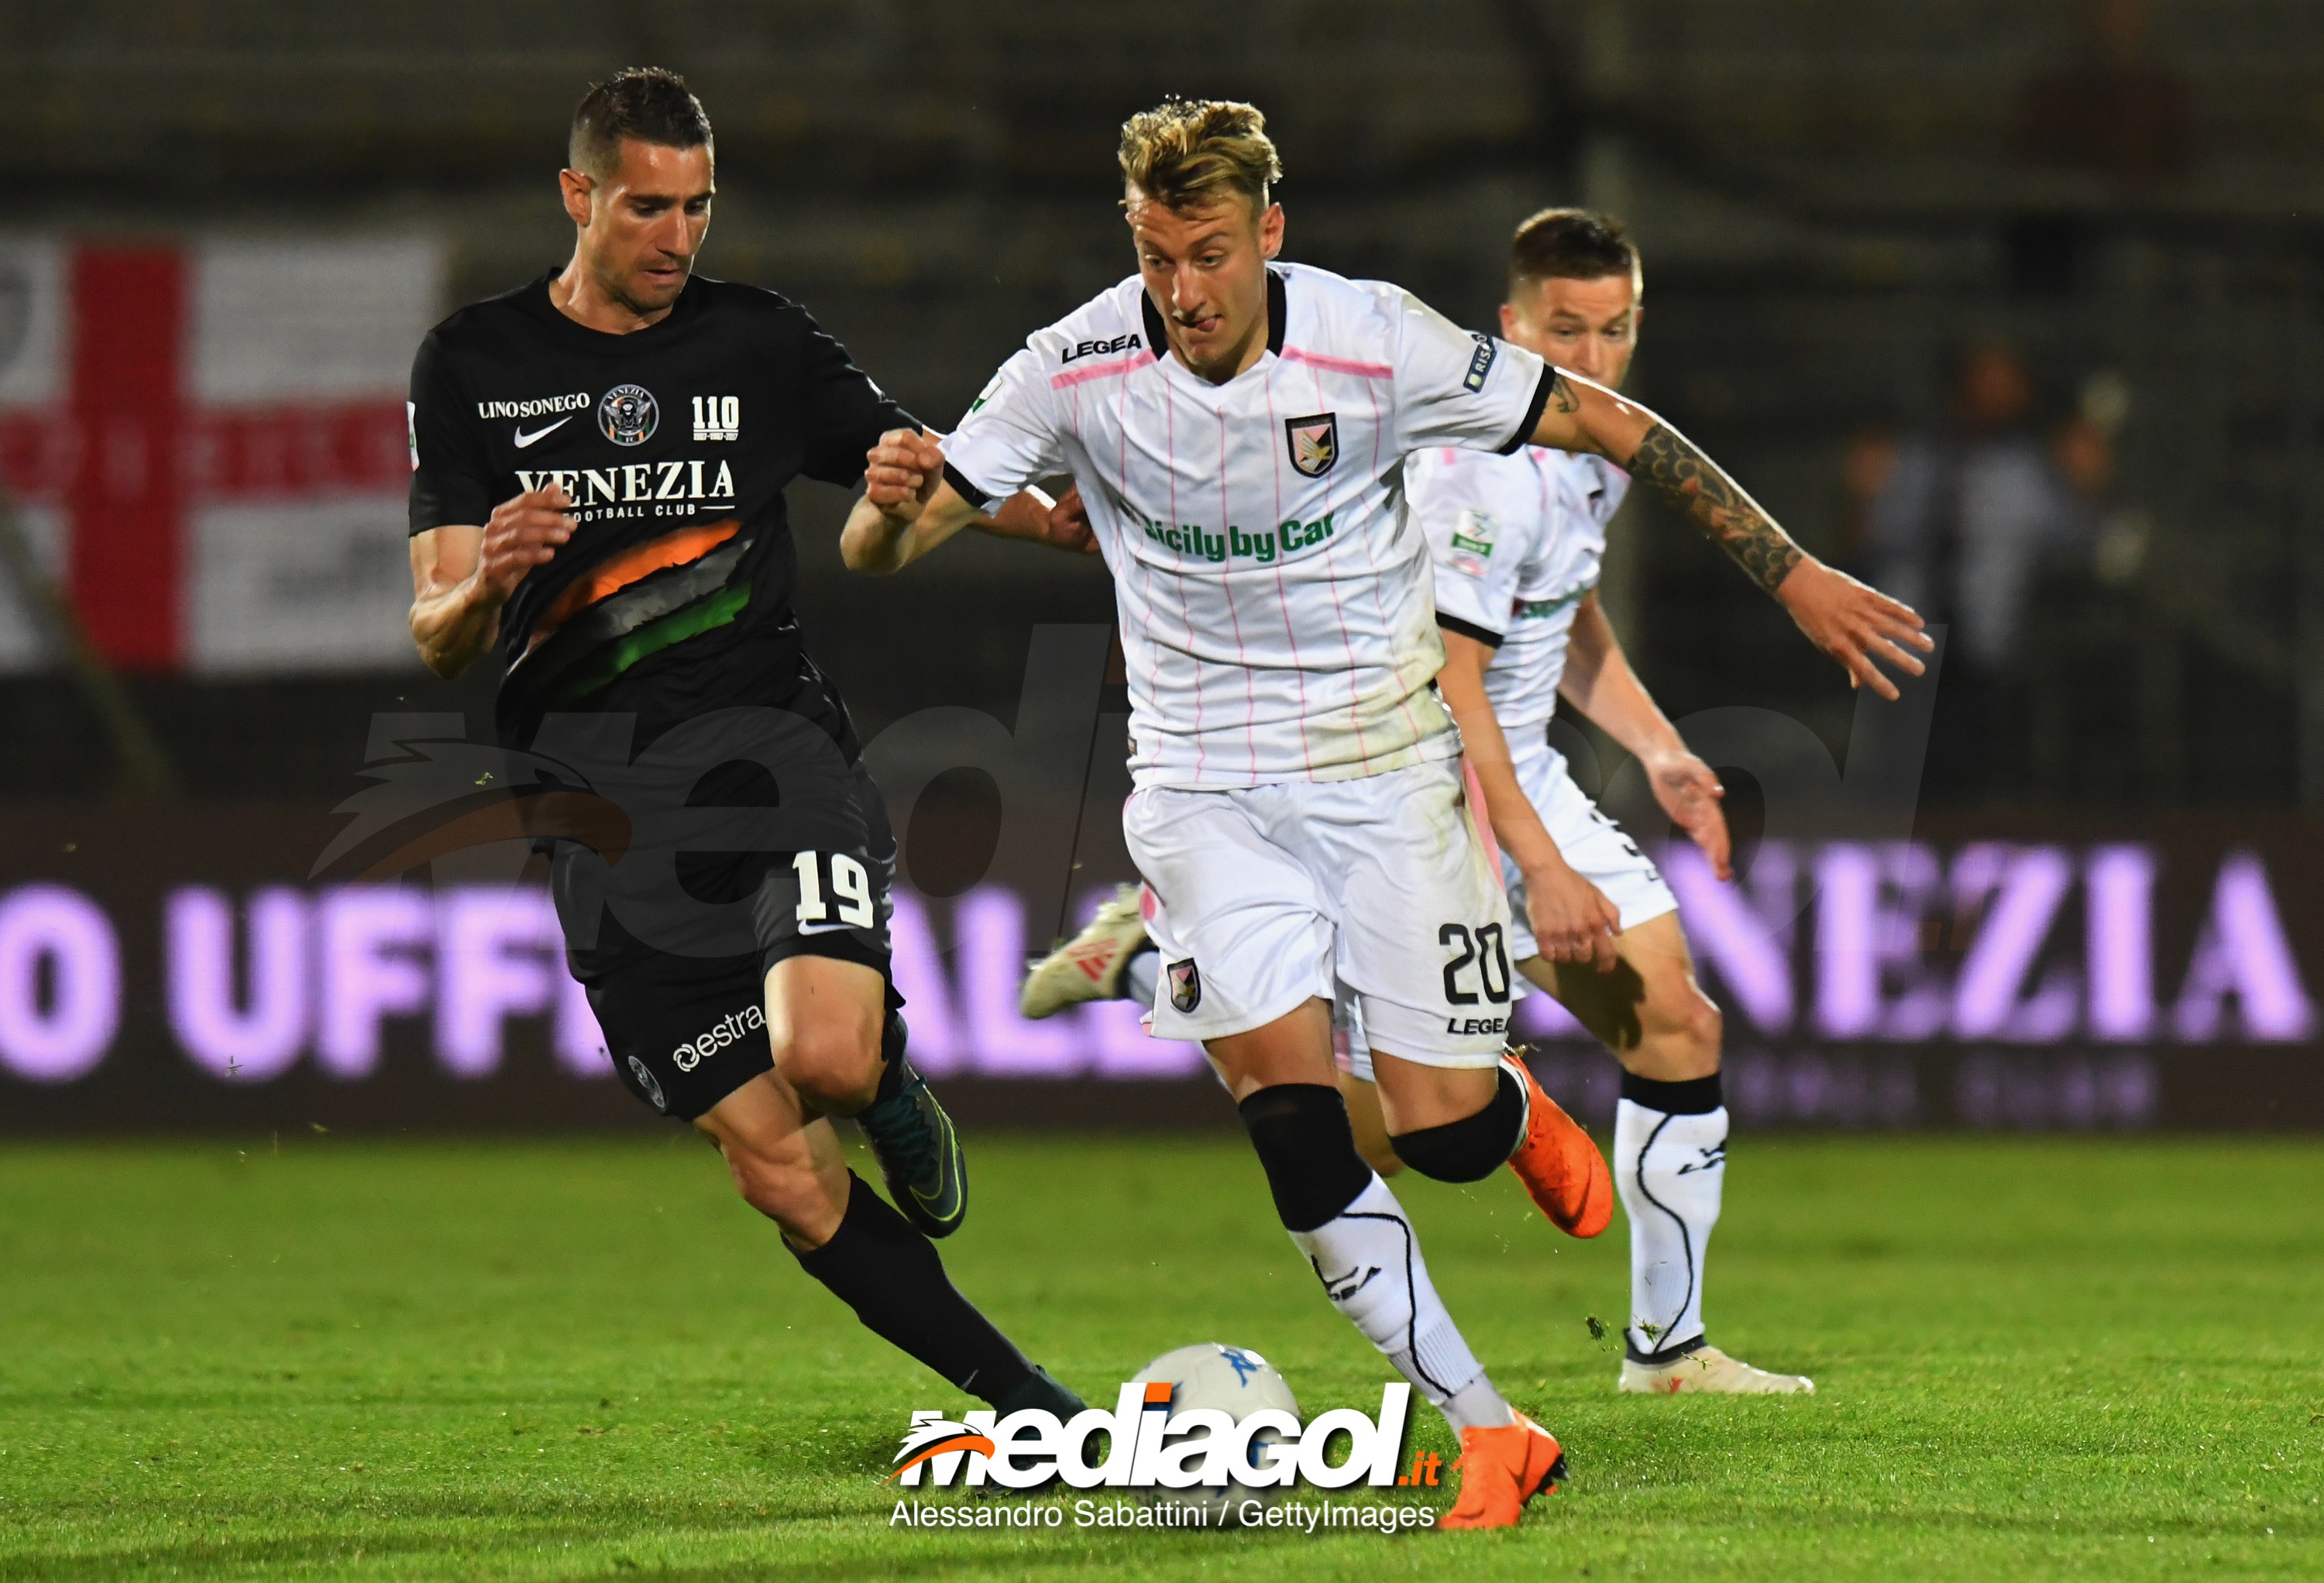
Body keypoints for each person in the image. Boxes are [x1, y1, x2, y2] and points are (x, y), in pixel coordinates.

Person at [844, 99, 1925, 1525]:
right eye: (1159, 255)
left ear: (1270, 234)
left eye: (1211, 254)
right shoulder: (1070, 362)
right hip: (1198, 795)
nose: (1184, 291)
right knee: (1295, 1126)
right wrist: (886, 504)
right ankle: (1487, 1423)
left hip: (1385, 772)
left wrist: (1784, 571)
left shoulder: (1377, 342)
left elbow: (1607, 419)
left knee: (1446, 1124)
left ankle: (1512, 1103)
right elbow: (893, 541)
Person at [1027, 210, 1824, 1395]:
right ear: (1512, 327)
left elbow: (1564, 612)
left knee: (1658, 1032)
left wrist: (1657, 751)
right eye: (1566, 331)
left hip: (1511, 768)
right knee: (1414, 1130)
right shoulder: (1484, 478)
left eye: (1613, 332)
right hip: (1433, 777)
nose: (1592, 358)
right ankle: (1157, 962)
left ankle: (1668, 1351)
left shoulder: (1576, 462)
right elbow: (1456, 679)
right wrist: (1541, 864)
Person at [403, 68, 1085, 1424]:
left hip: (774, 760)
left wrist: (1048, 516)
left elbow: (907, 463)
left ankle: (892, 1083)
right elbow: (435, 630)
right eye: (648, 206)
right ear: (577, 196)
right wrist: (488, 580)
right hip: (599, 818)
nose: (677, 236)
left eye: (698, 207)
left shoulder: (757, 344)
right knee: (777, 1163)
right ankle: (1031, 1407)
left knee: (826, 1057)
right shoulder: (473, 364)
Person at [1862, 338, 2091, 802]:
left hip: (1984, 656)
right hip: (1906, 649)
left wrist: (2087, 483)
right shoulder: (1913, 457)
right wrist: (1858, 494)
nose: (1993, 395)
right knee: (1896, 791)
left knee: (1972, 784)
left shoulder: (2026, 471)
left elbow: (2082, 540)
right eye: (1983, 381)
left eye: (2006, 384)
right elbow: (1865, 538)